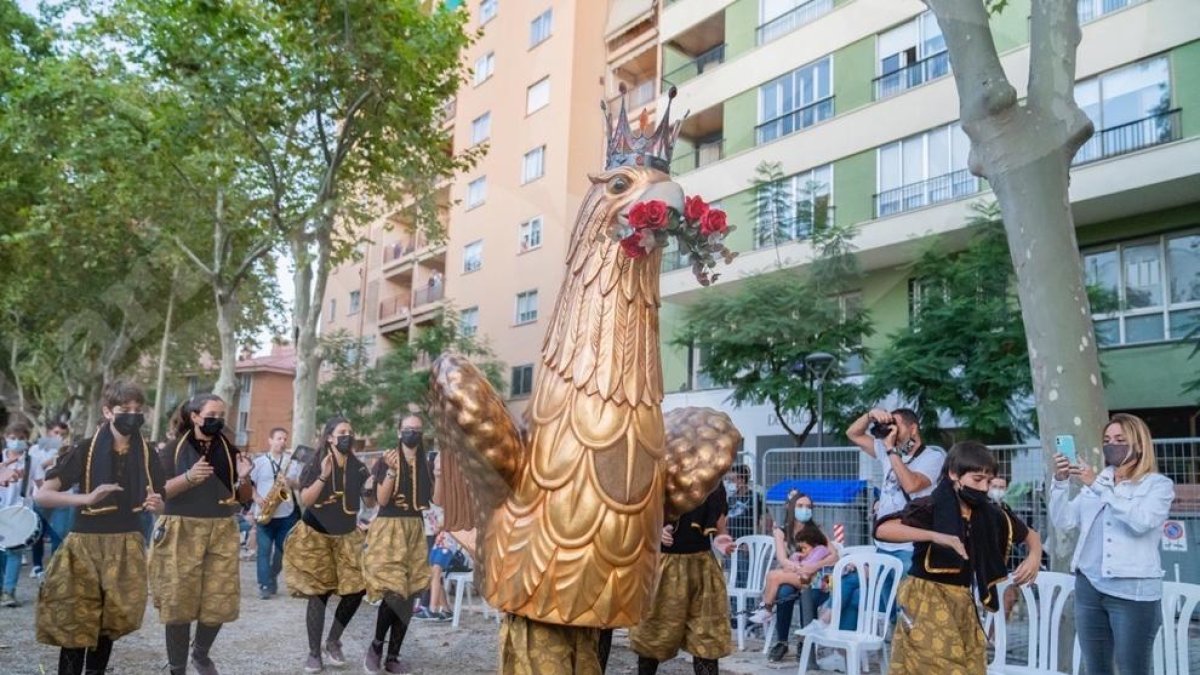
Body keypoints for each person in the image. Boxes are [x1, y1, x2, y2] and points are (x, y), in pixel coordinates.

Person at [34, 380, 166, 675]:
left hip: (127, 544)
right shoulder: (84, 449)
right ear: (108, 412)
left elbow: (161, 499)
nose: (133, 414)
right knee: (75, 623)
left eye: (138, 409)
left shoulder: (147, 453)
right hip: (84, 544)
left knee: (108, 625)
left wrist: (158, 506)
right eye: (124, 409)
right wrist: (87, 497)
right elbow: (42, 494)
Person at [875, 441, 1042, 674]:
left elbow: (1030, 535)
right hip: (925, 596)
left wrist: (1034, 556)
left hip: (963, 600)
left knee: (971, 664)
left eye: (988, 481)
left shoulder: (990, 514)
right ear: (954, 474)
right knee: (940, 665)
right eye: (976, 479)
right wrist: (935, 536)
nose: (983, 488)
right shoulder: (930, 506)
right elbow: (883, 529)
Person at [1051, 413, 1173, 675]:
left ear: (1139, 444)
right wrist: (1060, 482)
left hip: (1132, 592)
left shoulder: (1158, 486)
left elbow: (1141, 522)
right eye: (1107, 439)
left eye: (1120, 439)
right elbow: (1064, 521)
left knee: (1133, 669)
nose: (1111, 444)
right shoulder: (1100, 480)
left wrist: (1097, 485)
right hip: (1089, 587)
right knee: (1096, 668)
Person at [149, 394, 254, 675]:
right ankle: (177, 668)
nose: (217, 420)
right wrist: (189, 478)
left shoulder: (230, 451)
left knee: (219, 601)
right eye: (211, 415)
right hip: (181, 528)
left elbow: (245, 499)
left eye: (221, 415)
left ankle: (201, 653)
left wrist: (244, 477)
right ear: (195, 417)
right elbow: (157, 492)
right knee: (179, 604)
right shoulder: (172, 450)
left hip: (221, 529)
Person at [283, 416, 374, 674]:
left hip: (346, 536)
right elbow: (307, 500)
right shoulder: (315, 462)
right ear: (330, 437)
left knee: (357, 589)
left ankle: (333, 640)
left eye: (350, 431)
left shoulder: (358, 465)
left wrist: (370, 487)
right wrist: (324, 475)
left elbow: (369, 503)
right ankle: (314, 654)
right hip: (316, 536)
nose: (348, 436)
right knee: (319, 594)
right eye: (342, 432)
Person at [842, 407, 945, 629]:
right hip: (883, 544)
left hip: (910, 548)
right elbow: (853, 434)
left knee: (907, 610)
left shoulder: (932, 457)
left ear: (913, 428)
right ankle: (877, 652)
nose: (891, 430)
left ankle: (911, 655)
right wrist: (870, 415)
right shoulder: (889, 450)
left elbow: (912, 484)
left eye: (896, 425)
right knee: (884, 605)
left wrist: (891, 451)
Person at [629, 484, 736, 675]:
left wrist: (722, 538)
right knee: (652, 637)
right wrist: (655, 530)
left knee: (706, 640)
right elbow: (639, 514)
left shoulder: (713, 481)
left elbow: (720, 527)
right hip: (664, 566)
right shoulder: (662, 472)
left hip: (702, 567)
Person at [362, 414, 439, 673]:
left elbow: (434, 499)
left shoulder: (427, 461)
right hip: (390, 527)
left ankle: (393, 656)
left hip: (415, 528)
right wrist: (393, 470)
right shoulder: (386, 459)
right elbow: (382, 500)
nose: (412, 433)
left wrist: (439, 473)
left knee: (409, 594)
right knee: (393, 591)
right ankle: (376, 646)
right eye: (408, 429)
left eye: (417, 429)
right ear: (399, 432)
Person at [752, 491, 839, 661]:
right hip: (798, 576)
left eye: (808, 507)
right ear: (791, 508)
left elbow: (834, 556)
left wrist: (814, 565)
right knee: (784, 592)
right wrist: (799, 568)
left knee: (784, 582)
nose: (805, 510)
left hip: (824, 581)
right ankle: (782, 642)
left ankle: (804, 642)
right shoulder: (781, 532)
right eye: (800, 506)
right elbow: (783, 559)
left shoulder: (817, 531)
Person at [249, 427, 300, 599]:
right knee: (263, 551)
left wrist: (289, 481)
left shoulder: (291, 463)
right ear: (270, 440)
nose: (282, 442)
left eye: (285, 439)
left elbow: (297, 484)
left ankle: (271, 576)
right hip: (264, 512)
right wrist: (256, 498)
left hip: (285, 513)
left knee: (282, 551)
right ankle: (264, 585)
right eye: (279, 438)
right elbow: (250, 484)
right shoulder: (259, 462)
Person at [30, 421, 73, 578]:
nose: (59, 437)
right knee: (37, 533)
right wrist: (49, 462)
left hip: (62, 496)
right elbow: (34, 470)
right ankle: (37, 565)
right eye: (56, 433)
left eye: (62, 434)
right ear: (48, 432)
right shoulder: (36, 449)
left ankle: (54, 568)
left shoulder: (70, 450)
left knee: (59, 533)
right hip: (41, 495)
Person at [0, 421, 35, 606]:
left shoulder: (31, 461)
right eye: (12, 438)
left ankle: (8, 592)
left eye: (21, 438)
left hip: (20, 512)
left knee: (14, 552)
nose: (16, 442)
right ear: (5, 438)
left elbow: (40, 484)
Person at [725, 464, 767, 540]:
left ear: (742, 480)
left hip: (747, 541)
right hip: (731, 541)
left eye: (733, 480)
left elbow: (763, 520)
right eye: (729, 481)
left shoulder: (754, 497)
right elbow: (726, 519)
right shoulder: (731, 498)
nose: (730, 483)